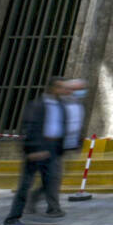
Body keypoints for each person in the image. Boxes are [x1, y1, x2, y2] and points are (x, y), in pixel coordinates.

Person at [2, 77, 71, 225]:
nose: (64, 91)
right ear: (53, 88)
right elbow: (29, 127)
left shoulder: (61, 106)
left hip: (53, 149)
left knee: (52, 180)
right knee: (25, 185)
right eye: (61, 87)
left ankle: (51, 208)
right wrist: (32, 149)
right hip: (36, 149)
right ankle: (12, 218)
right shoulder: (37, 105)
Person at [31, 76, 85, 216]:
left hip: (66, 146)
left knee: (53, 177)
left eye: (82, 89)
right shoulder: (58, 104)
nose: (80, 91)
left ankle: (35, 198)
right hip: (52, 146)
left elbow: (76, 124)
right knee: (54, 177)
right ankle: (53, 208)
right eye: (77, 89)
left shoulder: (77, 104)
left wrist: (77, 142)